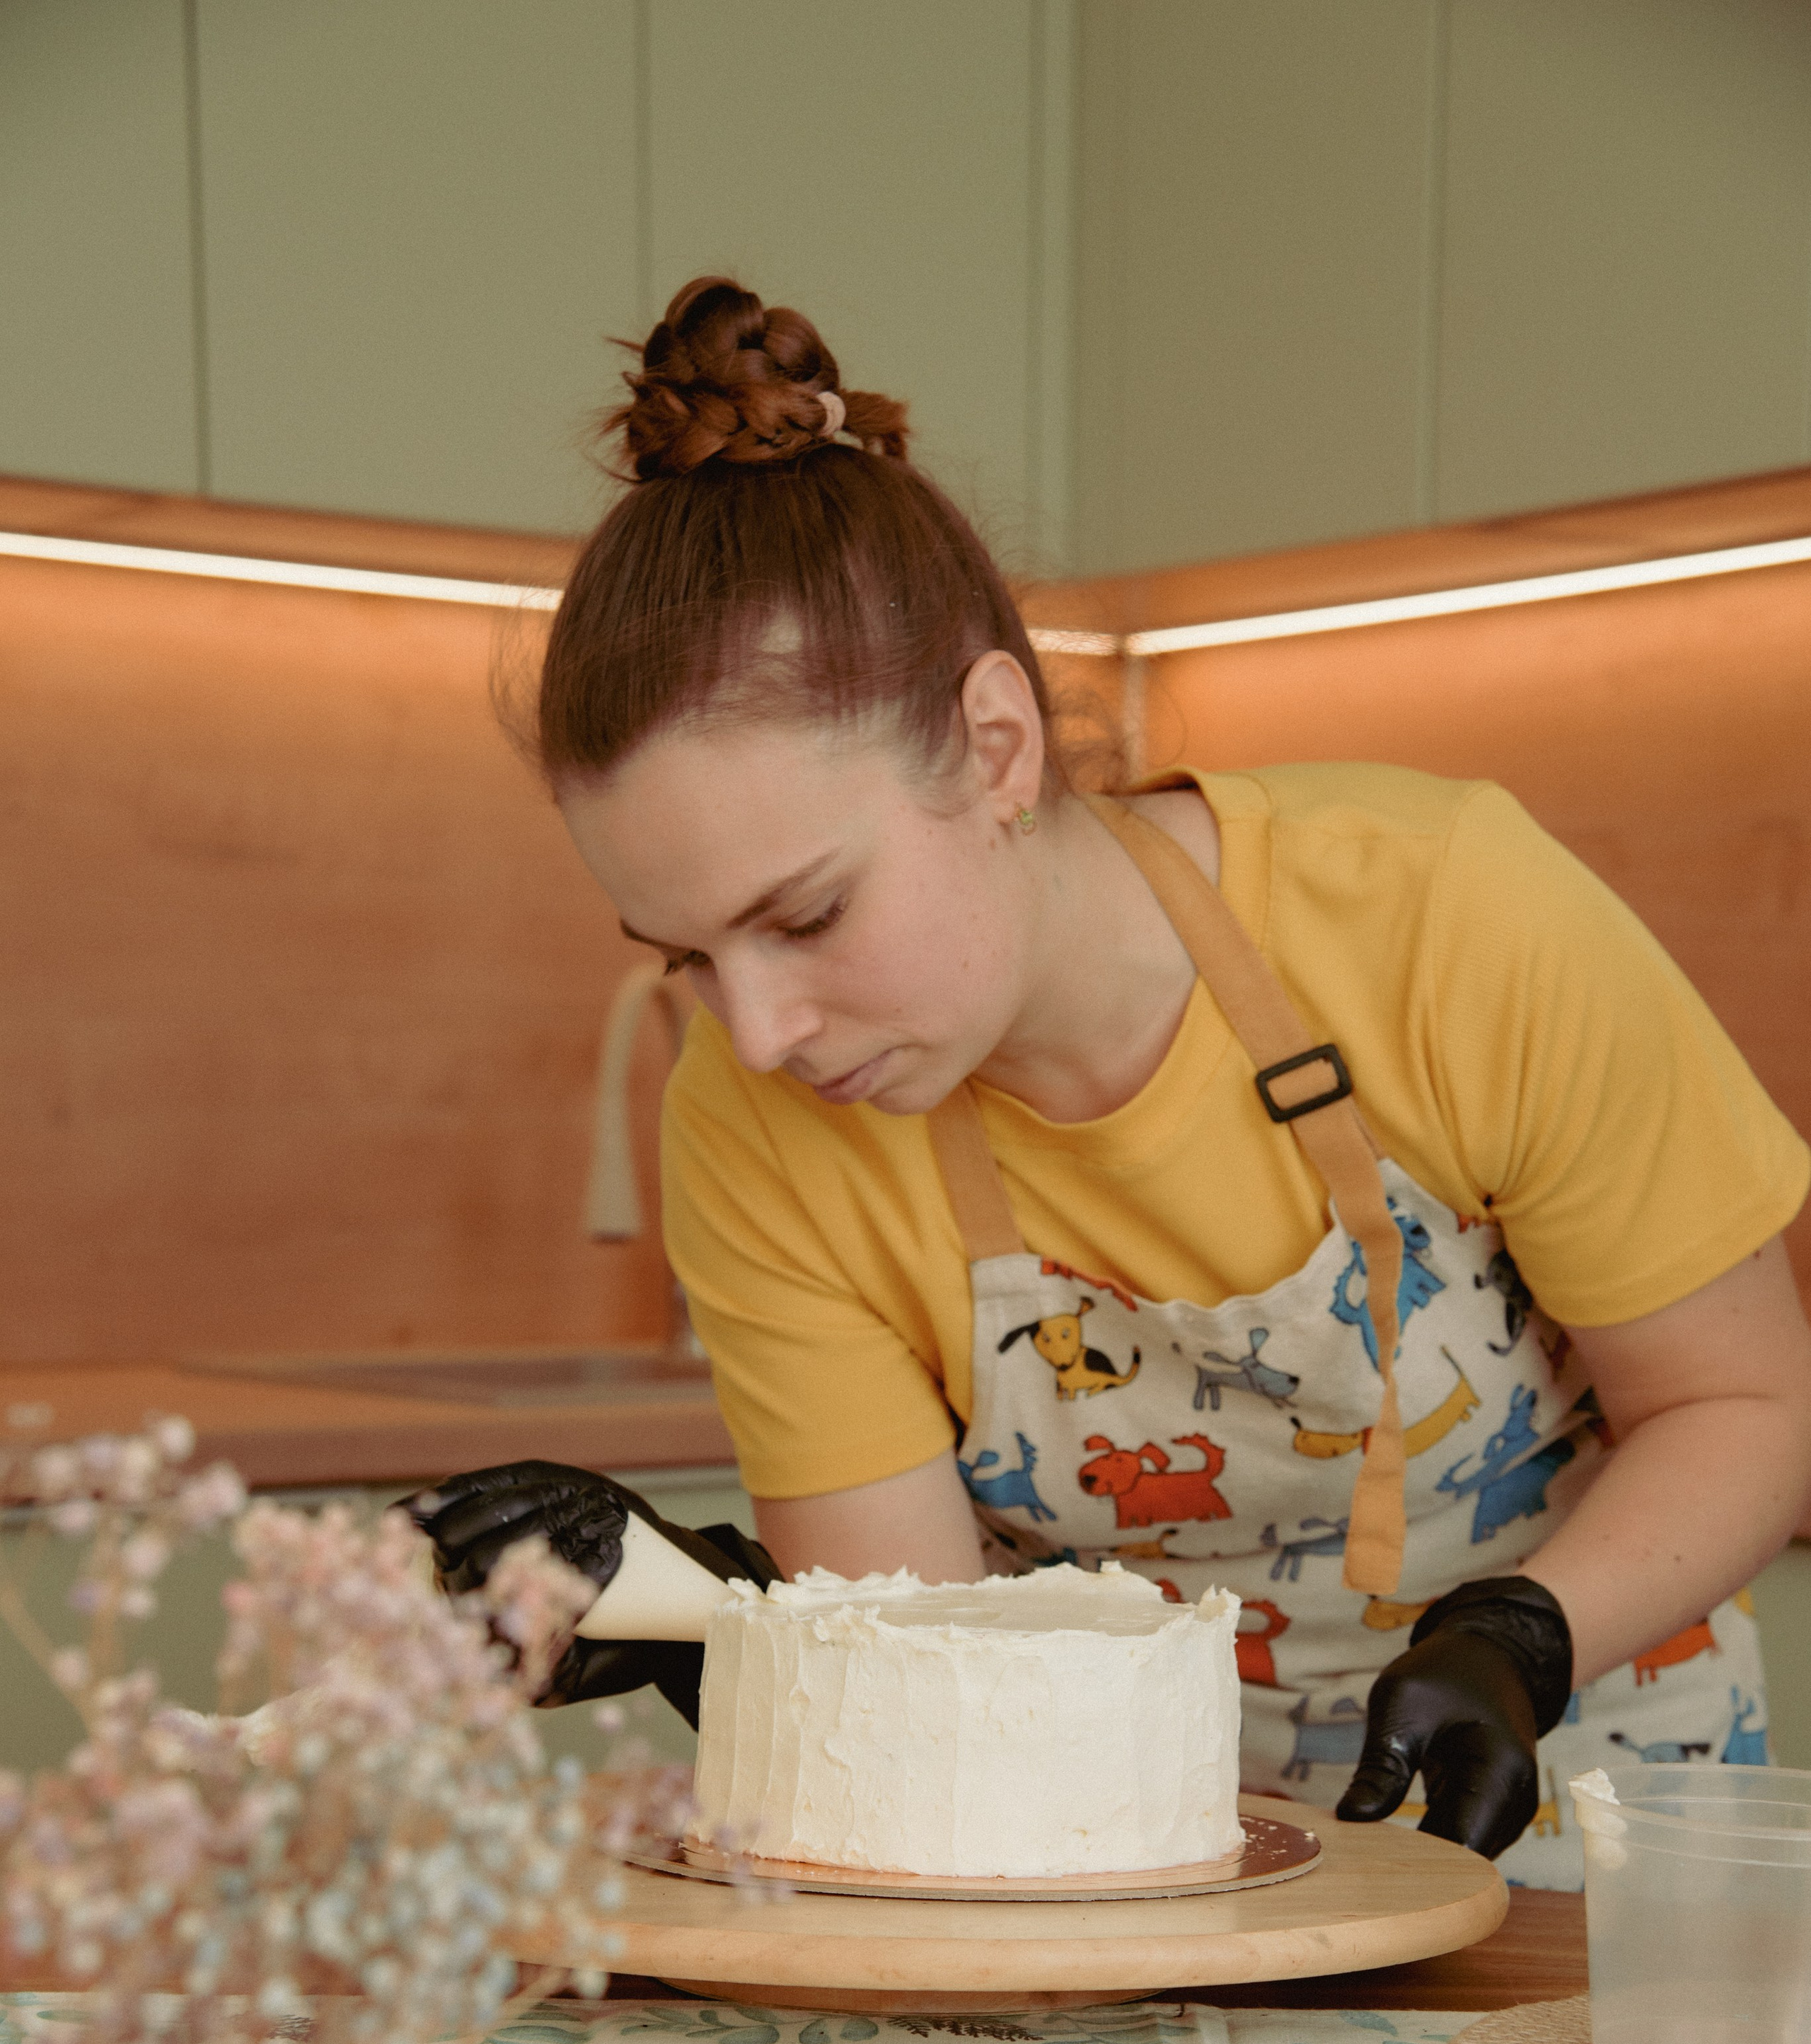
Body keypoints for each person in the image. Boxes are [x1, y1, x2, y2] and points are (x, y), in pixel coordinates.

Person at [411, 277, 1811, 1888]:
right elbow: (936, 1666)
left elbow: (1742, 1403)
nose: (758, 1032)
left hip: (1586, 1826)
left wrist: (1526, 1630)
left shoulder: (1446, 918)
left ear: (996, 747)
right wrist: (702, 1604)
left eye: (802, 915)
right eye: (683, 957)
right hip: (1116, 1868)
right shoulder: (753, 1126)